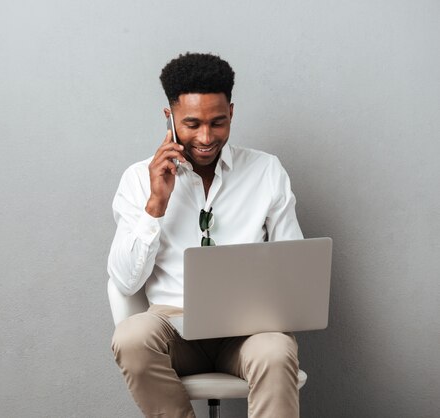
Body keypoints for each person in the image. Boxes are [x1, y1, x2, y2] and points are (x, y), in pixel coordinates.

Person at [108, 52, 304, 418]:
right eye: (192, 123)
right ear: (170, 117)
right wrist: (156, 203)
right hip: (173, 328)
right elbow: (124, 279)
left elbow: (293, 269)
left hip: (248, 332)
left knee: (276, 350)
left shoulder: (266, 171)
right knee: (130, 338)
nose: (205, 137)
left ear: (231, 112)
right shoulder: (138, 179)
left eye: (217, 123)